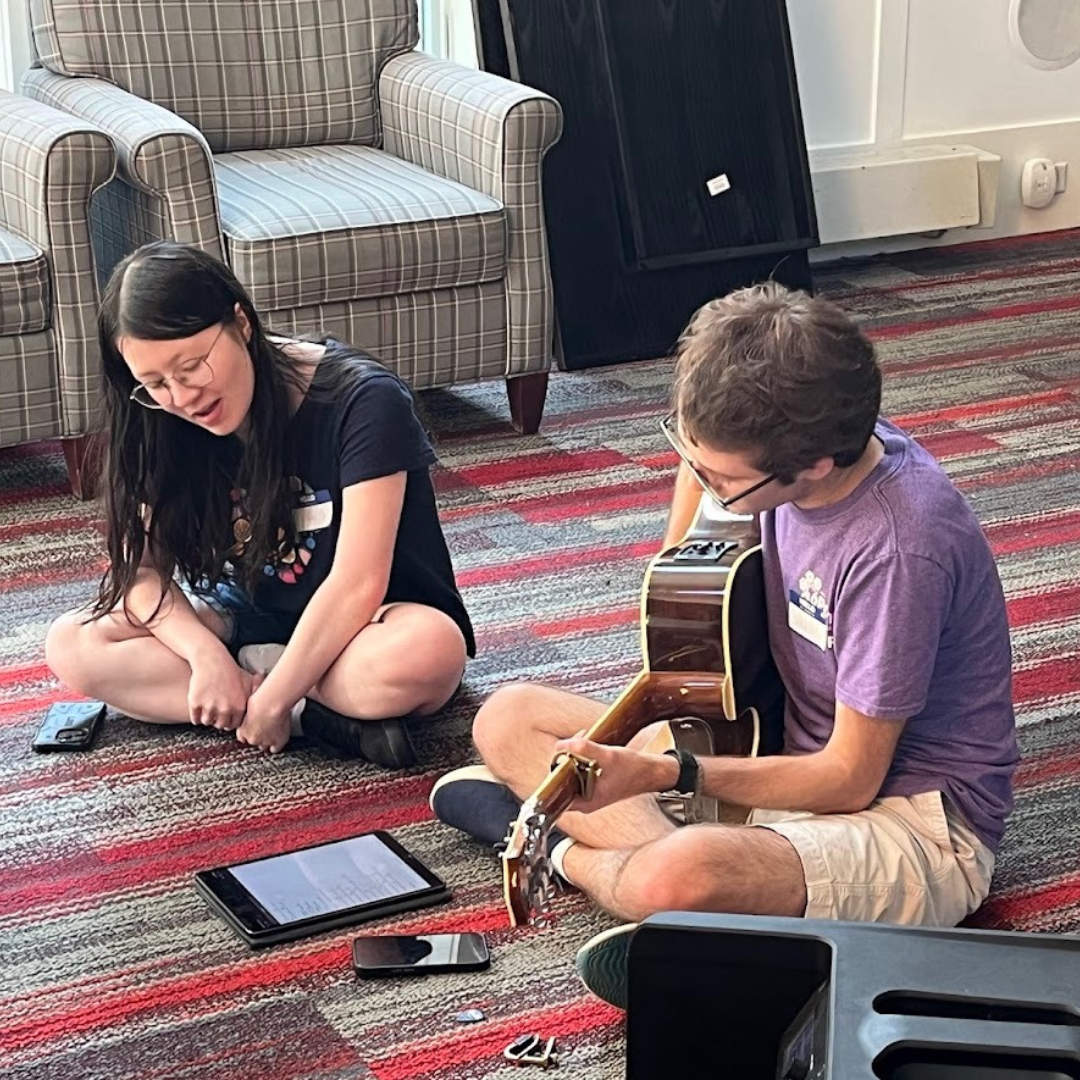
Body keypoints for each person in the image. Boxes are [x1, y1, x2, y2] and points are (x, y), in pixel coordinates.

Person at [430, 282, 1018, 1007]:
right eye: (692, 453)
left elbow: (849, 780)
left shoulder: (898, 551)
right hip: (769, 740)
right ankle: (689, 906)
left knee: (678, 875)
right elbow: (689, 541)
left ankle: (567, 854)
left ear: (814, 466)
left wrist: (665, 774)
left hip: (911, 819)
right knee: (508, 717)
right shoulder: (802, 429)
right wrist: (683, 559)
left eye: (723, 479)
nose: (705, 482)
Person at [46, 241, 473, 769]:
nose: (183, 398)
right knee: (72, 643)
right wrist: (204, 655)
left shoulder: (363, 399)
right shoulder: (156, 415)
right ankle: (315, 716)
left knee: (429, 653)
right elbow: (142, 573)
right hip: (242, 618)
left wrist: (273, 699)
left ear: (242, 323)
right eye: (155, 384)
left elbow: (358, 584)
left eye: (192, 366)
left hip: (365, 625)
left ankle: (263, 693)